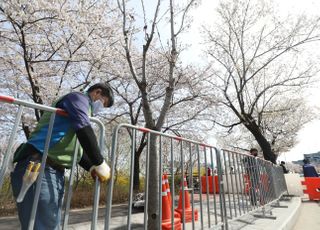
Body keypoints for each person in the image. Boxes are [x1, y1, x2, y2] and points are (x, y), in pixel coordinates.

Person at [10, 82, 114, 230]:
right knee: (43, 225)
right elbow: (83, 127)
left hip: (53, 171)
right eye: (104, 103)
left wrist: (91, 167)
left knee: (48, 224)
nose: (101, 108)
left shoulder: (79, 113)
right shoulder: (78, 98)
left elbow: (77, 148)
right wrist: (99, 162)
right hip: (39, 166)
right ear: (98, 92)